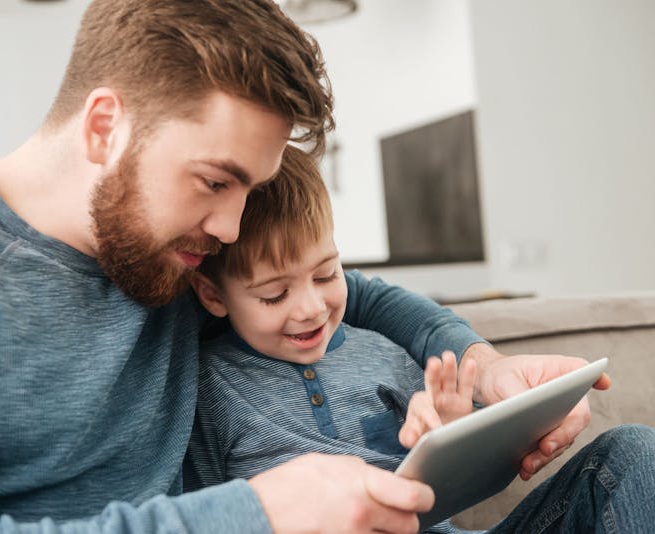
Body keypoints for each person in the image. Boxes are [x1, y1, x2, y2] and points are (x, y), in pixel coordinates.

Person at [0, 0, 641, 532]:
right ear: (105, 127)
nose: (231, 226)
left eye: (251, 190)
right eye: (215, 180)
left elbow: (358, 295)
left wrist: (479, 362)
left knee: (630, 464)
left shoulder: (183, 254)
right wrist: (258, 513)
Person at [186, 145, 655, 533]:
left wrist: (460, 432)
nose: (311, 307)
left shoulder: (382, 350)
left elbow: (448, 476)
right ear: (213, 295)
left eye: (327, 274)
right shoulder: (208, 388)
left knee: (632, 451)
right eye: (274, 294)